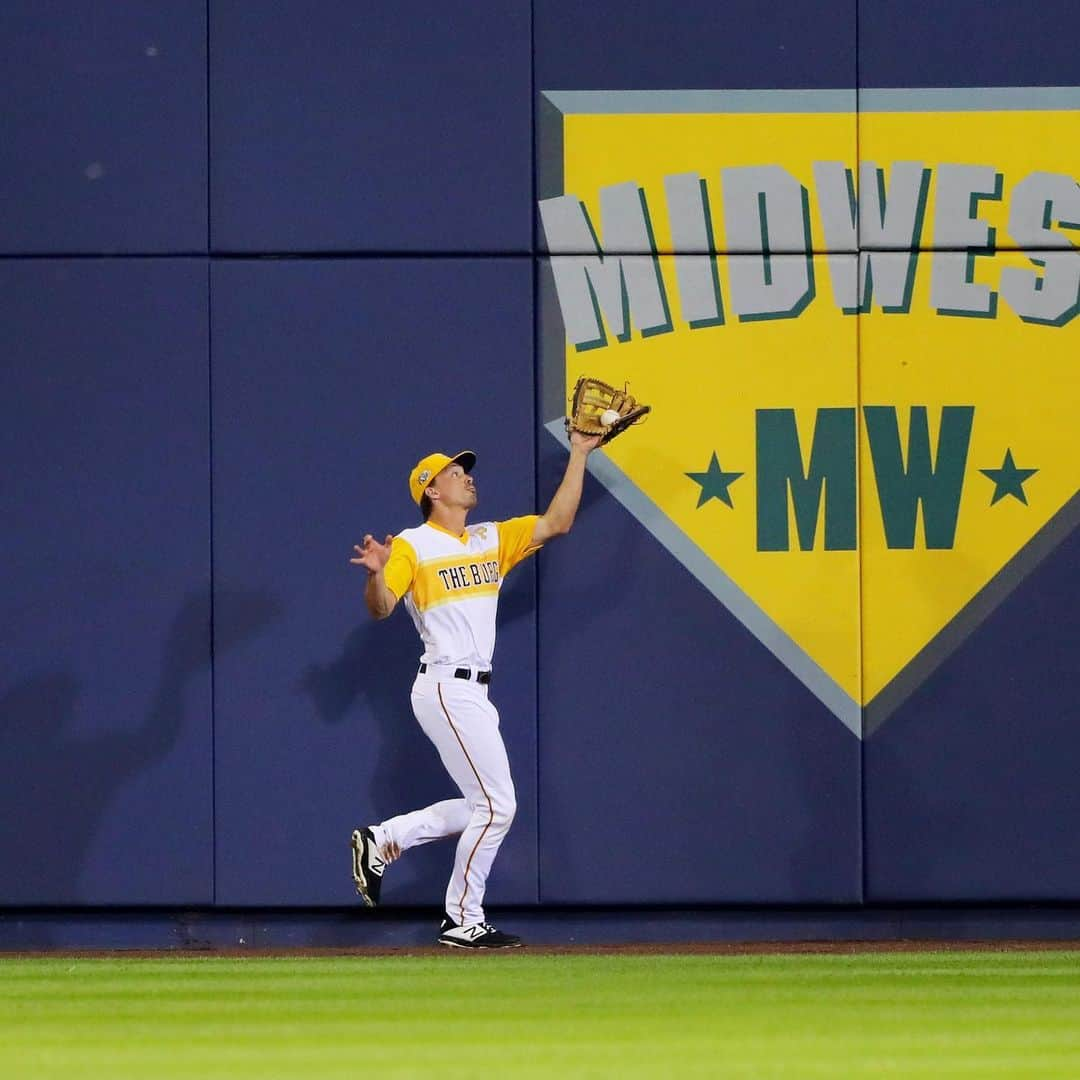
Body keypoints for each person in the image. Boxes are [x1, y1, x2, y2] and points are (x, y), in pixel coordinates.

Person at [349, 433, 601, 949]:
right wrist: (377, 575)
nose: (466, 475)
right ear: (432, 491)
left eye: (465, 470)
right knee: (498, 807)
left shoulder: (491, 537)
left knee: (483, 804)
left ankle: (386, 838)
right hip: (444, 684)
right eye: (454, 472)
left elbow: (558, 522)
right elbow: (381, 608)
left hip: (475, 693)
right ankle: (462, 918)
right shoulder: (411, 545)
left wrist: (579, 453)